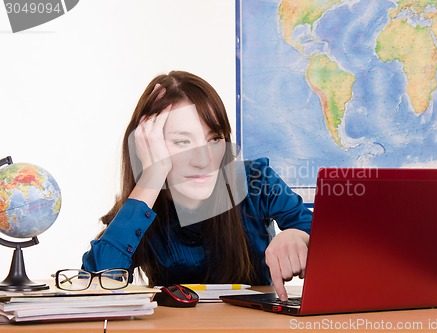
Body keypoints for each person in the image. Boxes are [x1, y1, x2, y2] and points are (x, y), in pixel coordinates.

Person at [82, 71, 312, 301]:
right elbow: (94, 289)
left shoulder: (255, 181)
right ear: (149, 147)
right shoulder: (141, 207)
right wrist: (152, 176)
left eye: (214, 139)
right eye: (183, 142)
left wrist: (300, 236)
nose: (204, 160)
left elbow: (335, 246)